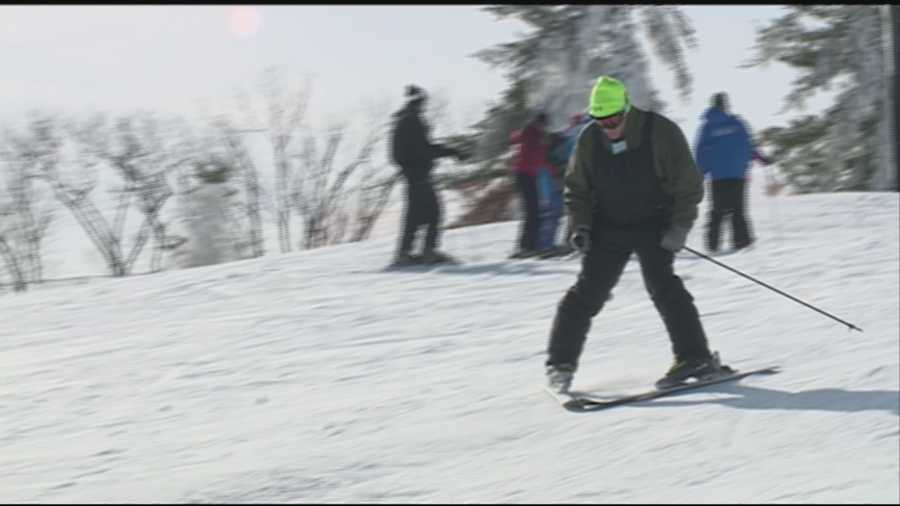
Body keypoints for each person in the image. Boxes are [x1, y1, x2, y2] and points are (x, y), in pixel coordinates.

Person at [544, 76, 729, 393]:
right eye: (601, 120)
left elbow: (688, 186)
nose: (609, 126)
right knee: (587, 293)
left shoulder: (661, 132)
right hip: (608, 227)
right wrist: (581, 226)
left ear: (626, 109)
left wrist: (679, 229)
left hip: (655, 224)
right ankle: (560, 364)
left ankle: (694, 357)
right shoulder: (589, 141)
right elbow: (577, 190)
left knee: (663, 286)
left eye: (614, 118)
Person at [389, 85, 465, 265]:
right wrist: (452, 152)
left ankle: (405, 253)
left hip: (413, 175)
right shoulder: (412, 121)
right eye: (423, 101)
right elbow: (424, 149)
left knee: (414, 216)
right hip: (418, 175)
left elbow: (414, 150)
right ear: (418, 101)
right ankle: (427, 251)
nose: (425, 105)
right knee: (434, 212)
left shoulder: (404, 120)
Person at [694, 92, 771, 253]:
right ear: (726, 106)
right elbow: (749, 146)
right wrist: (762, 159)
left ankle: (713, 246)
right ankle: (742, 243)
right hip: (737, 174)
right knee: (738, 210)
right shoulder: (738, 124)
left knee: (717, 211)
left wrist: (701, 171)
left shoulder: (708, 127)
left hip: (718, 176)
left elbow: (701, 151)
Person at [508, 112, 550, 258]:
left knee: (534, 211)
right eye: (543, 124)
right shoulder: (533, 135)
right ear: (539, 123)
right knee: (533, 211)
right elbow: (539, 155)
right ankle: (527, 246)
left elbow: (539, 158)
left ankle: (529, 245)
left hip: (527, 175)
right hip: (525, 175)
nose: (544, 128)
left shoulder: (533, 134)